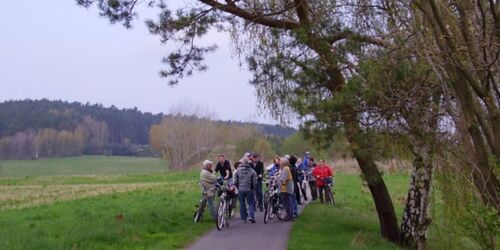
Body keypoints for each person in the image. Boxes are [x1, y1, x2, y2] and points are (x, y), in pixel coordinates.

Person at [234, 157, 258, 223]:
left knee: (242, 204)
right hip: (249, 189)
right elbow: (255, 182)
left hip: (241, 189)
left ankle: (243, 219)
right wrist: (254, 188)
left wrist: (237, 186)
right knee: (250, 203)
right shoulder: (252, 171)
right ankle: (251, 217)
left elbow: (235, 181)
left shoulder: (238, 171)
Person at [278, 157, 294, 221]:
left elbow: (283, 178)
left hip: (286, 188)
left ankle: (289, 216)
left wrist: (277, 178)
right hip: (286, 187)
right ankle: (289, 215)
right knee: (287, 202)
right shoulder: (285, 168)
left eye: (280, 162)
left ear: (283, 163)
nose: (279, 163)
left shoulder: (286, 169)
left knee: (287, 202)